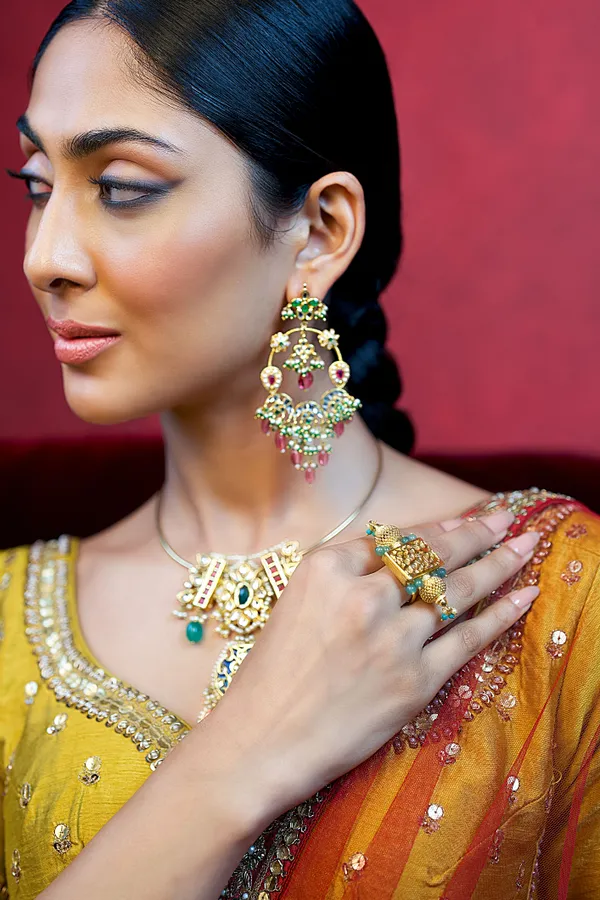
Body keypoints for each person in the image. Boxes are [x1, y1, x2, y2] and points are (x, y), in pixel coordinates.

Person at [1, 1, 598, 897]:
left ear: (319, 233)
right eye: (38, 185)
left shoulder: (555, 595)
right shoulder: (8, 623)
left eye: (121, 187)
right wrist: (241, 760)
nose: (44, 258)